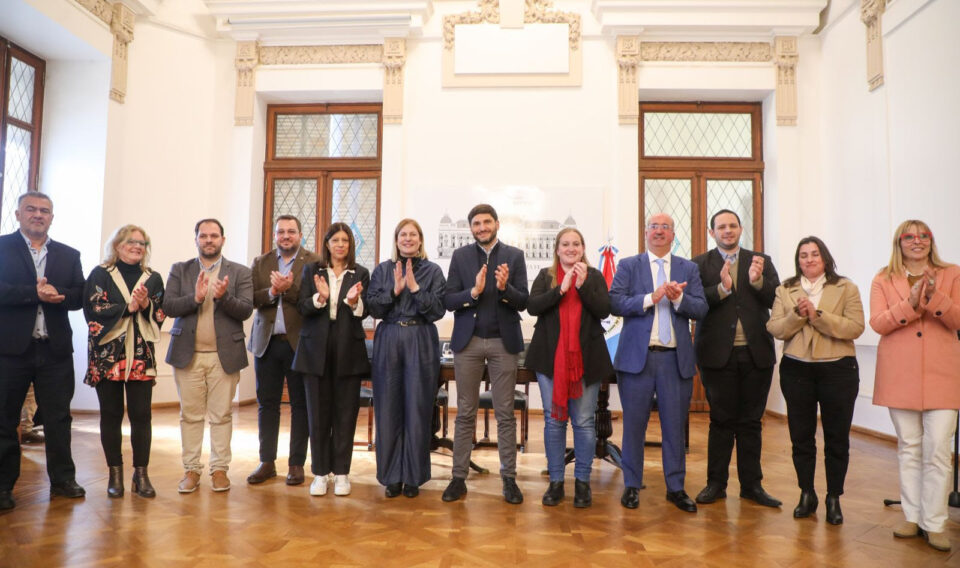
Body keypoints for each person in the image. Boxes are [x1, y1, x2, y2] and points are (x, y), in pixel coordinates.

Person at [869, 220, 960, 552]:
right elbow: (878, 322)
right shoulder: (883, 278)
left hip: (944, 374)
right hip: (899, 373)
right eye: (910, 236)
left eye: (924, 236)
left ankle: (934, 523)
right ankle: (912, 516)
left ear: (931, 241)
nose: (917, 241)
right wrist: (909, 303)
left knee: (938, 450)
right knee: (909, 447)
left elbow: (959, 319)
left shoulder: (952, 273)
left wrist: (936, 299)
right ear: (899, 242)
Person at [610, 213, 707, 513]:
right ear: (645, 232)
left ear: (673, 234)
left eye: (666, 227)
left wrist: (678, 300)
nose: (659, 231)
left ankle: (676, 488)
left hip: (674, 361)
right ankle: (631, 485)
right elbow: (615, 302)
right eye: (654, 227)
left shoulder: (688, 268)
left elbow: (701, 308)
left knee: (674, 428)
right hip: (637, 360)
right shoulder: (629, 265)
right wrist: (651, 298)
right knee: (634, 427)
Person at [767, 236, 864, 525]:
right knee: (801, 437)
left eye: (814, 254)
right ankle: (806, 493)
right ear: (798, 261)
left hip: (838, 371)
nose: (809, 259)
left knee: (836, 438)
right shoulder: (785, 289)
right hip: (797, 371)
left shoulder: (846, 287)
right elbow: (775, 327)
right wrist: (798, 315)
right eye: (803, 255)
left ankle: (834, 497)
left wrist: (818, 315)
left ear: (825, 258)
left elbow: (855, 327)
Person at [0, 192, 86, 511]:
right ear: (18, 214)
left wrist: (58, 294)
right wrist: (33, 294)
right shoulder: (2, 247)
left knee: (58, 418)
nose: (38, 215)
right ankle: (3, 486)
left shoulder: (68, 254)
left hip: (55, 350)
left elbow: (80, 296)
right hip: (10, 350)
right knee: (5, 418)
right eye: (31, 209)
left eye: (45, 211)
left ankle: (63, 480)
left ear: (52, 217)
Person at [692, 210, 781, 508]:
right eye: (721, 227)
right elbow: (694, 304)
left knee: (751, 422)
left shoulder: (761, 261)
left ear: (741, 228)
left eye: (732, 226)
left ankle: (752, 486)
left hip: (756, 354)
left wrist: (756, 282)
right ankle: (715, 484)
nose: (727, 231)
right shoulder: (699, 264)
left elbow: (776, 300)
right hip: (717, 355)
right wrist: (722, 289)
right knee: (721, 421)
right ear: (711, 231)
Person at [442, 204, 528, 504]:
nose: (482, 227)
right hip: (469, 342)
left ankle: (509, 479)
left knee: (505, 413)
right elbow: (449, 300)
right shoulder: (460, 257)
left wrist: (504, 288)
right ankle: (458, 478)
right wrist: (474, 293)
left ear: (497, 224)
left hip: (504, 343)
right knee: (465, 412)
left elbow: (524, 302)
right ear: (470, 228)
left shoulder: (514, 256)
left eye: (486, 222)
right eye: (476, 223)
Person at [163, 218, 253, 493]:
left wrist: (224, 297)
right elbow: (168, 306)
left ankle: (219, 470)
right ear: (196, 240)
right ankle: (191, 470)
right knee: (190, 416)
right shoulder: (180, 270)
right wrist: (196, 298)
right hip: (187, 356)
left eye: (214, 236)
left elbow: (246, 310)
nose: (209, 240)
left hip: (223, 356)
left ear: (223, 240)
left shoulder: (239, 272)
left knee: (221, 416)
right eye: (204, 236)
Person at [526, 228, 613, 508]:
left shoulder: (595, 276)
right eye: (565, 244)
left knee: (584, 422)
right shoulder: (545, 276)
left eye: (576, 243)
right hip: (550, 361)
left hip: (586, 360)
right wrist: (561, 290)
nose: (571, 248)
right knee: (554, 420)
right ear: (557, 249)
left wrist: (582, 285)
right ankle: (556, 482)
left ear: (583, 247)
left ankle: (583, 483)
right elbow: (533, 307)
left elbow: (603, 310)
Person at [83, 224, 166, 498]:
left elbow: (160, 312)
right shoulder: (100, 274)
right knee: (111, 414)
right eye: (131, 241)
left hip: (141, 355)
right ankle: (115, 473)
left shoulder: (152, 278)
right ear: (117, 245)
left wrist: (146, 306)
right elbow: (93, 308)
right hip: (109, 356)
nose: (137, 246)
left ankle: (140, 474)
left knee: (142, 416)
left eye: (142, 243)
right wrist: (127, 307)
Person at [368, 219, 446, 498]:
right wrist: (395, 290)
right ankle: (391, 477)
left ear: (421, 239)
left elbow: (438, 310)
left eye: (413, 234)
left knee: (418, 408)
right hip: (388, 337)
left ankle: (413, 477)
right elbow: (372, 306)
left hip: (420, 338)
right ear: (396, 239)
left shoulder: (433, 271)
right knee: (388, 407)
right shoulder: (383, 270)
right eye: (403, 234)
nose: (408, 239)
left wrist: (415, 288)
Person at [293, 222, 370, 497]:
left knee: (346, 415)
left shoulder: (360, 273)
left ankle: (342, 474)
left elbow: (365, 310)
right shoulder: (312, 271)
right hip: (315, 351)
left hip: (348, 349)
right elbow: (302, 306)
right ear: (327, 244)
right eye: (335, 240)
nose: (340, 244)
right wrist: (320, 298)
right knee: (318, 415)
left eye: (345, 240)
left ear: (350, 245)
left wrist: (352, 301)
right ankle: (320, 473)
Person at [247, 215, 318, 487]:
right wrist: (272, 292)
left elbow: (313, 301)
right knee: (267, 405)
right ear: (275, 236)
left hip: (299, 344)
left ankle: (296, 464)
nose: (286, 236)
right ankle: (267, 462)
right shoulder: (261, 262)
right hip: (266, 343)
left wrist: (288, 291)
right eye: (281, 232)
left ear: (300, 235)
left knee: (300, 405)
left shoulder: (312, 262)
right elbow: (251, 298)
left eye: (291, 231)